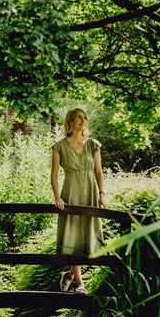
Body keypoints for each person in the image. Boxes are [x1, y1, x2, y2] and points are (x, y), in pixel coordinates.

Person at [50, 108, 105, 293]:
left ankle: (70, 275)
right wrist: (57, 197)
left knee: (89, 238)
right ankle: (80, 283)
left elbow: (98, 171)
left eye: (84, 117)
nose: (83, 120)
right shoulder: (59, 146)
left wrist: (102, 193)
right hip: (71, 192)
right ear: (71, 122)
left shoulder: (93, 145)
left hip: (90, 192)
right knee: (73, 236)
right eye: (78, 118)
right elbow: (54, 174)